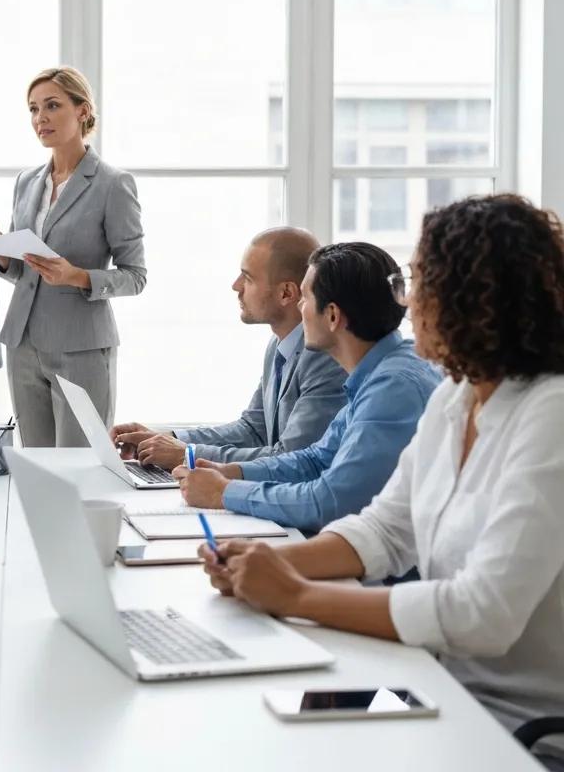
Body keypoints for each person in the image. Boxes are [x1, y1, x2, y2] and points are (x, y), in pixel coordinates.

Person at [198, 196, 564, 771]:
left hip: (515, 730)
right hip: (435, 684)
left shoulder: (551, 416)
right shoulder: (456, 398)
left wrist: (295, 594)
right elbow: (385, 530)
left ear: (478, 299)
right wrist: (263, 563)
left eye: (419, 284)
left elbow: (482, 614)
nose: (408, 303)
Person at [175, 242, 441, 533]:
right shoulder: (378, 371)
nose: (300, 308)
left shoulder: (393, 387)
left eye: (305, 299)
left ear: (332, 316)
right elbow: (315, 460)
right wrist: (232, 472)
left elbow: (330, 502)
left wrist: (224, 492)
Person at [0, 67, 146, 446]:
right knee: (37, 462)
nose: (40, 118)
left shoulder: (113, 184)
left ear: (83, 111)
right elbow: (24, 271)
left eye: (52, 106)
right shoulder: (26, 181)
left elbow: (135, 276)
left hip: (82, 347)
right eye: (33, 109)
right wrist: (0, 250)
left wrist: (77, 276)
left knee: (80, 464)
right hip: (23, 344)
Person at [110, 227, 346, 469]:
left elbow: (293, 458)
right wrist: (166, 439)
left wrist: (187, 455)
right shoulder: (278, 346)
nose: (236, 286)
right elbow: (253, 429)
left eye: (248, 278)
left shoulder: (324, 357)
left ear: (286, 293)